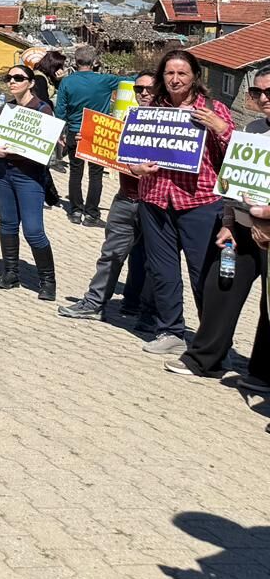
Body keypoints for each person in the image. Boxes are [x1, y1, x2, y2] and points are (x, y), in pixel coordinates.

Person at [164, 66, 270, 389]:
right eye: (257, 92)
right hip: (239, 227)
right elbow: (232, 182)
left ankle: (263, 372)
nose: (263, 98)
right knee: (219, 287)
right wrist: (227, 221)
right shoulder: (251, 129)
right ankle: (204, 359)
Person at [132, 48, 235, 355]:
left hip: (200, 203)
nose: (175, 80)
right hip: (155, 201)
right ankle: (170, 330)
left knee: (203, 274)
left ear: (194, 77)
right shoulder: (153, 109)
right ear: (162, 76)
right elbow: (130, 153)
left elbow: (237, 156)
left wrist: (219, 127)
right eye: (169, 73)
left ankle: (212, 341)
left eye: (182, 74)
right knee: (163, 272)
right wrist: (135, 168)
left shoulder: (214, 108)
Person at [60, 72, 161, 323]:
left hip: (155, 203)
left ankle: (144, 311)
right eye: (139, 89)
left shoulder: (170, 123)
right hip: (126, 198)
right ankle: (94, 303)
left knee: (151, 261)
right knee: (111, 254)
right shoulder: (129, 117)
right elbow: (113, 150)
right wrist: (90, 143)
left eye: (150, 89)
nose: (144, 94)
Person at [0, 63, 58, 299]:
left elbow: (44, 150)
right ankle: (11, 272)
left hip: (30, 177)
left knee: (34, 230)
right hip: (4, 174)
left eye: (18, 77)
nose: (12, 81)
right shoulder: (7, 108)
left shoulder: (43, 110)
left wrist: (9, 152)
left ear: (31, 82)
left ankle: (47, 281)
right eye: (9, 78)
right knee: (7, 224)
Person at [54, 45, 125, 226]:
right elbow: (130, 81)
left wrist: (61, 133)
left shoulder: (67, 82)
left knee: (76, 173)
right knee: (96, 174)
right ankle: (91, 214)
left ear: (75, 62)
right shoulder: (106, 80)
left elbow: (60, 110)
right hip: (97, 131)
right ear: (94, 62)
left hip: (74, 132)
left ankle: (76, 211)